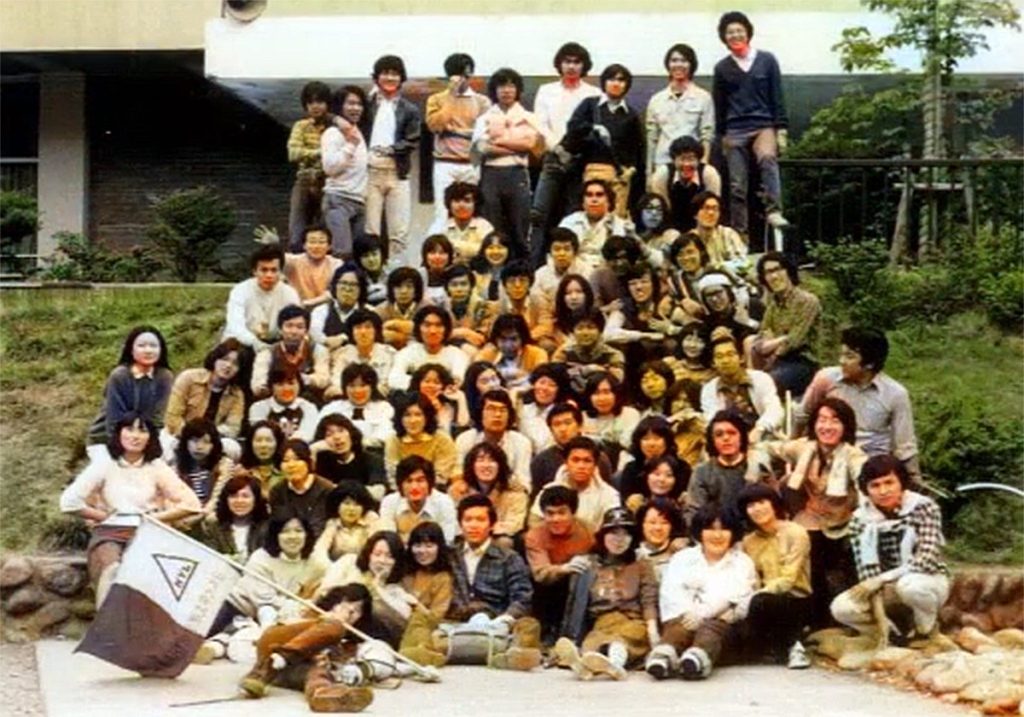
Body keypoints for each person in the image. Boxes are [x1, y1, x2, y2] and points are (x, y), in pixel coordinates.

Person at [751, 396, 867, 628]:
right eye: (822, 420)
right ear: (814, 424)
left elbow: (863, 480)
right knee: (803, 551)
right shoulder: (804, 448)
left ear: (846, 426)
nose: (827, 426)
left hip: (843, 522)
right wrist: (761, 471)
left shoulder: (854, 455)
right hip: (810, 518)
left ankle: (846, 618)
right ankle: (810, 620)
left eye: (835, 420)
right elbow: (767, 448)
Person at [61, 415, 200, 605]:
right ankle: (109, 619)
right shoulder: (105, 464)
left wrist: (155, 519)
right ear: (119, 434)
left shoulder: (157, 467)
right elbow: (69, 502)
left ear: (150, 437)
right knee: (111, 570)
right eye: (129, 429)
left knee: (150, 574)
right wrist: (103, 516)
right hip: (110, 532)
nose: (135, 436)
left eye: (142, 431)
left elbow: (192, 504)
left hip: (148, 532)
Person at [831, 455, 949, 646]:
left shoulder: (924, 507)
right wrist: (881, 618)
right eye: (875, 485)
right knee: (841, 607)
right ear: (866, 490)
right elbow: (868, 575)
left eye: (889, 482)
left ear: (901, 482)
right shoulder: (860, 520)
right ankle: (890, 634)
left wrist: (882, 579)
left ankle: (925, 630)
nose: (883, 491)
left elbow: (925, 559)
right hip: (885, 589)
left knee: (910, 586)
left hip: (926, 580)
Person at [646, 503, 756, 680]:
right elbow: (671, 593)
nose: (717, 535)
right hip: (684, 620)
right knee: (679, 627)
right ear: (700, 532)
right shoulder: (683, 559)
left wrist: (701, 615)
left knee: (712, 627)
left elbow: (733, 596)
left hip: (722, 627)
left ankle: (696, 660)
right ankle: (664, 656)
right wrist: (689, 614)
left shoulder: (742, 562)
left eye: (724, 529)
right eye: (710, 529)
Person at [798, 326, 921, 480]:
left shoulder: (895, 394)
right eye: (842, 355)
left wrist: (914, 479)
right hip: (827, 457)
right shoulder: (826, 379)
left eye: (849, 357)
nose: (842, 361)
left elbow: (904, 445)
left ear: (869, 364)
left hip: (870, 466)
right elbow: (803, 415)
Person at [556, 507, 659, 681]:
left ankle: (616, 664)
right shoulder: (589, 565)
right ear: (603, 536)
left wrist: (653, 629)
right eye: (613, 533)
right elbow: (575, 604)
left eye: (625, 534)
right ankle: (585, 665)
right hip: (602, 622)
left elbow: (649, 599)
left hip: (633, 620)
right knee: (593, 643)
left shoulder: (642, 565)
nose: (619, 540)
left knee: (625, 640)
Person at [238, 582, 375, 711]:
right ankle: (276, 661)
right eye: (345, 604)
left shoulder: (349, 643)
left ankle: (323, 695)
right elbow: (285, 622)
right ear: (334, 602)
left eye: (357, 610)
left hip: (286, 671)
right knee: (335, 626)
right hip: (274, 646)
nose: (350, 612)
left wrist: (328, 659)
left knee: (318, 671)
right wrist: (328, 620)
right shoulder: (311, 610)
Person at [712, 10, 790, 236]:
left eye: (739, 30)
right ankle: (740, 233)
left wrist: (781, 128)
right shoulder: (722, 68)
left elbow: (777, 95)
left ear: (748, 33)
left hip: (763, 125)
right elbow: (720, 103)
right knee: (737, 184)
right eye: (730, 32)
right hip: (735, 128)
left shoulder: (767, 60)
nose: (735, 35)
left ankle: (774, 211)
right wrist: (722, 135)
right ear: (724, 37)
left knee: (767, 158)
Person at [444, 494, 543, 670]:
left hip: (496, 626)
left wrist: (504, 620)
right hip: (457, 626)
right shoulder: (448, 556)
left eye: (480, 520)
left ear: (492, 524)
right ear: (460, 524)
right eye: (468, 520)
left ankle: (509, 654)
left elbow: (523, 598)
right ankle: (497, 655)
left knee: (528, 625)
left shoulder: (508, 558)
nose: (473, 525)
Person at [530, 41, 602, 266]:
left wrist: (573, 151)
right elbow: (540, 124)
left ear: (584, 65)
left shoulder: (593, 93)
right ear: (559, 64)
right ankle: (534, 266)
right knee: (539, 215)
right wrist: (559, 149)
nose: (571, 66)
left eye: (576, 62)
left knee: (574, 215)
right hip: (553, 159)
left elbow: (593, 129)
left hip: (580, 161)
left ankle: (573, 267)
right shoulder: (546, 91)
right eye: (567, 61)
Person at [206, 512, 327, 638]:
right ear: (275, 535)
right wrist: (300, 606)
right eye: (285, 531)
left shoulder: (316, 563)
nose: (293, 536)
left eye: (299, 531)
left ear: (307, 535)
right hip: (238, 609)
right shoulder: (260, 558)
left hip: (281, 615)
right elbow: (265, 600)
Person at [736, 483, 813, 669]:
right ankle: (776, 647)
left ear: (773, 504)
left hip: (795, 598)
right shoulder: (748, 541)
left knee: (764, 601)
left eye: (762, 502)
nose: (757, 509)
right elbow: (751, 577)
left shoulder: (796, 532)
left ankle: (795, 648)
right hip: (761, 603)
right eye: (751, 505)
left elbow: (789, 578)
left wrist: (758, 595)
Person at [471, 68, 542, 259]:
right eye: (502, 86)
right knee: (492, 227)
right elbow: (483, 148)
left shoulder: (529, 117)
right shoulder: (484, 118)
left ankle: (522, 269)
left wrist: (498, 141)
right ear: (494, 90)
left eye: (511, 86)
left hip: (517, 174)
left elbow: (530, 145)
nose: (506, 90)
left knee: (520, 227)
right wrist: (516, 147)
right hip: (491, 174)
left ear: (518, 90)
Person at [562, 64, 645, 219]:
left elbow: (638, 150)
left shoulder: (631, 115)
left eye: (621, 80)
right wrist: (593, 128)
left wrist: (631, 170)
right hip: (586, 173)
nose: (616, 83)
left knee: (615, 220)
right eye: (611, 79)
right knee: (584, 218)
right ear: (604, 82)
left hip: (618, 177)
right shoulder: (590, 105)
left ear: (627, 85)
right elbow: (572, 130)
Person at [364, 55, 421, 265]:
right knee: (371, 231)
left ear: (401, 78)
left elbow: (413, 138)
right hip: (370, 173)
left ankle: (397, 271)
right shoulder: (366, 105)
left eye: (395, 74)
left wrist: (391, 150)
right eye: (385, 73)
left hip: (398, 174)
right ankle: (372, 273)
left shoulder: (410, 109)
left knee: (399, 231)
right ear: (376, 77)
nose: (390, 78)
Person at [86, 326, 174, 460]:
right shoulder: (119, 376)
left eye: (153, 346)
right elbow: (113, 420)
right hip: (107, 438)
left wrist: (149, 447)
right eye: (141, 346)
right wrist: (126, 453)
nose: (148, 350)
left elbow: (157, 418)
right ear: (131, 350)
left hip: (144, 437)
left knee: (168, 457)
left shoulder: (165, 377)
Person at [425, 54, 491, 225]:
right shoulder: (436, 99)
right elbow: (436, 126)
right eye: (457, 75)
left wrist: (454, 131)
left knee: (471, 212)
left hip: (471, 164)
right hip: (445, 163)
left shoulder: (482, 101)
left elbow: (484, 134)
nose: (462, 80)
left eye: (466, 75)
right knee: (442, 213)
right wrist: (451, 95)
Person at [524, 485, 595, 644]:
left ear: (572, 513)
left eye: (562, 513)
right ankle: (545, 633)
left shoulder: (588, 531)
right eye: (550, 513)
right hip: (547, 588)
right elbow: (540, 573)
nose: (556, 519)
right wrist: (564, 568)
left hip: (579, 585)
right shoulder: (535, 535)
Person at [162, 338, 245, 458]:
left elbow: (233, 428)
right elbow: (172, 417)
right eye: (224, 359)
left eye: (235, 363)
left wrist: (208, 436)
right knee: (166, 447)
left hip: (212, 440)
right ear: (215, 359)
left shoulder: (237, 394)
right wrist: (191, 436)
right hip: (180, 434)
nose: (228, 365)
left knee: (233, 448)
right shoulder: (189, 378)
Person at [752, 252, 820, 396]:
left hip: (803, 363)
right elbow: (759, 342)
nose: (773, 276)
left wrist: (773, 345)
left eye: (777, 269)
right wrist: (781, 339)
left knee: (766, 384)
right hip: (776, 362)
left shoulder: (807, 301)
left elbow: (794, 341)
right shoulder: (773, 306)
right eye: (767, 273)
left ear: (788, 271)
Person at [645, 43, 714, 182]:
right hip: (662, 163)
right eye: (674, 60)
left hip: (691, 165)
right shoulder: (656, 100)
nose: (678, 65)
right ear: (668, 64)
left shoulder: (704, 98)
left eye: (684, 60)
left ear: (691, 65)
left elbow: (707, 135)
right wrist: (649, 171)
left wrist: (703, 166)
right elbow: (652, 138)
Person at [700, 331, 783, 442]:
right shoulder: (709, 389)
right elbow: (712, 419)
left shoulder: (761, 378)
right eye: (719, 357)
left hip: (763, 437)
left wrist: (759, 429)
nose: (725, 361)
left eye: (730, 354)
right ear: (713, 363)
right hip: (728, 441)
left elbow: (774, 409)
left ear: (741, 358)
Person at [530, 436, 621, 534]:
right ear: (565, 462)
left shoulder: (609, 496)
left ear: (595, 465)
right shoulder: (548, 491)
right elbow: (534, 523)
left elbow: (614, 531)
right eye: (575, 460)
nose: (581, 466)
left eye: (587, 461)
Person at [449, 441, 529, 548]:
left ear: (500, 465)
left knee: (504, 542)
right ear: (471, 465)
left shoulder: (515, 491)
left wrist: (486, 529)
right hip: (467, 535)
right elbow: (453, 522)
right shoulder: (458, 490)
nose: (486, 465)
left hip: (497, 536)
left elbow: (515, 523)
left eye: (492, 460)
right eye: (480, 460)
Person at [529, 402, 614, 500]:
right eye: (557, 424)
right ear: (550, 429)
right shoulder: (541, 461)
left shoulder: (599, 458)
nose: (563, 429)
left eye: (568, 423)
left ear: (580, 425)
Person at [321, 85, 369, 259]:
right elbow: (329, 167)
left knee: (358, 256)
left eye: (359, 104)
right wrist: (350, 145)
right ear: (340, 106)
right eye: (350, 103)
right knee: (342, 253)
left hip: (359, 201)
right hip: (338, 199)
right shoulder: (333, 133)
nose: (356, 108)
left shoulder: (357, 131)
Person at [224, 244, 302, 350]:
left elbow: (295, 325)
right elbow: (236, 326)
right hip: (243, 342)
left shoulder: (290, 293)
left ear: (280, 272)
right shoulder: (240, 291)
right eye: (264, 270)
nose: (269, 275)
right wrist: (255, 343)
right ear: (254, 271)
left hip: (277, 344)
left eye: (274, 270)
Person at [454, 389, 533, 487]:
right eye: (491, 409)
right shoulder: (465, 439)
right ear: (480, 413)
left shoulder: (521, 442)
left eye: (503, 410)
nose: (497, 415)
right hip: (471, 490)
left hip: (508, 490)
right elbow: (458, 473)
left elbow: (523, 480)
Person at [287, 81, 332, 251]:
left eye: (319, 101)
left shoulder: (334, 127)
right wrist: (320, 153)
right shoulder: (301, 126)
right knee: (296, 231)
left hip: (328, 183)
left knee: (326, 231)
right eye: (310, 102)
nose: (315, 106)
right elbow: (293, 153)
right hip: (305, 180)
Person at [252, 305, 330, 400]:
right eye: (289, 326)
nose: (294, 332)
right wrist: (270, 385)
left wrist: (297, 379)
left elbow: (323, 379)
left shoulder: (317, 350)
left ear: (306, 330)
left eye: (300, 327)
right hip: (275, 397)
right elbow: (258, 382)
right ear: (280, 329)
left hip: (307, 397)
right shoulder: (267, 352)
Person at [686, 410, 754, 520]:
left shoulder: (755, 466)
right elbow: (694, 511)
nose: (726, 438)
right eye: (719, 435)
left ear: (741, 437)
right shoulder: (702, 472)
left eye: (732, 433)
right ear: (712, 440)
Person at [383, 395, 458, 492]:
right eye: (407, 415)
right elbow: (393, 476)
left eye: (418, 414)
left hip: (434, 491)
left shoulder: (442, 440)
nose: (412, 421)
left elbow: (441, 476)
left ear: (427, 417)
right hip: (402, 492)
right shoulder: (393, 440)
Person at [558, 179, 634, 275]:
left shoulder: (620, 225)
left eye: (599, 195)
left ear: (608, 201)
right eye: (589, 195)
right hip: (572, 275)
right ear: (582, 202)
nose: (594, 200)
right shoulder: (569, 222)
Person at [191, 474, 270, 565]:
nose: (239, 501)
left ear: (256, 500)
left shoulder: (268, 526)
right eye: (233, 496)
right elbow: (209, 558)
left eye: (245, 496)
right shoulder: (212, 525)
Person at [377, 455, 458, 543]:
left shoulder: (444, 502)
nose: (414, 487)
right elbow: (389, 542)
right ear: (400, 485)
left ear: (430, 483)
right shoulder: (389, 502)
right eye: (409, 481)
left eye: (420, 480)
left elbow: (447, 541)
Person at [388, 305, 469, 391]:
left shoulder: (457, 355)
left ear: (446, 329)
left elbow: (457, 381)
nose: (432, 331)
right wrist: (425, 386)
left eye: (438, 325)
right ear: (418, 328)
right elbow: (394, 379)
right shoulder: (407, 353)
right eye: (427, 325)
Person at [652, 136, 722, 233]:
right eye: (682, 159)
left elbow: (713, 209)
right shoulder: (662, 175)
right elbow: (662, 211)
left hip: (701, 229)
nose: (686, 164)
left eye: (691, 159)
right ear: (674, 160)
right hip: (671, 230)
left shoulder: (709, 174)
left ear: (698, 160)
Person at [309, 413, 388, 498]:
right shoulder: (322, 462)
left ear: (351, 433)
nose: (337, 437)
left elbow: (378, 493)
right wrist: (313, 449)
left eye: (341, 431)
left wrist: (339, 489)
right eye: (329, 434)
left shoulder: (371, 459)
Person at [551, 308, 626, 395]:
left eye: (591, 327)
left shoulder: (613, 354)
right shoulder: (564, 352)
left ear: (600, 331)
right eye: (580, 328)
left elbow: (617, 380)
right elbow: (555, 377)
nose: (585, 333)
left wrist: (574, 371)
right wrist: (588, 369)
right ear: (573, 332)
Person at [269, 439, 335, 538]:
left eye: (297, 459)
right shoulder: (277, 491)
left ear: (308, 461)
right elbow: (279, 525)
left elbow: (324, 526)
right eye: (285, 460)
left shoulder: (326, 489)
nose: (291, 465)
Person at [326, 309, 395, 398]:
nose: (363, 332)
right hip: (347, 398)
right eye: (358, 327)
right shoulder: (342, 354)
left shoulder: (388, 354)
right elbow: (337, 382)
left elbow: (386, 385)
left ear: (376, 331)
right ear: (351, 332)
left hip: (378, 399)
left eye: (368, 327)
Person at [172, 418, 233, 518]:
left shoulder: (224, 464)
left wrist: (198, 516)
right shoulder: (177, 467)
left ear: (214, 445)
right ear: (185, 442)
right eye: (194, 441)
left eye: (206, 442)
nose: (199, 447)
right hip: (185, 513)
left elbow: (217, 499)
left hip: (211, 514)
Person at [581, 371, 641, 471]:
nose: (602, 398)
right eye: (596, 393)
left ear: (617, 393)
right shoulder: (582, 418)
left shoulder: (630, 414)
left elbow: (628, 444)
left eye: (607, 392)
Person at [490, 260, 555, 352]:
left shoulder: (540, 302)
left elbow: (546, 327)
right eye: (512, 281)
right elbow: (492, 331)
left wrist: (522, 339)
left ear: (530, 284)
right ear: (505, 286)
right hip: (506, 342)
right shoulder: (498, 306)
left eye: (522, 280)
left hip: (533, 341)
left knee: (547, 345)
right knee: (489, 348)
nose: (517, 285)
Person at [311, 480, 379, 563]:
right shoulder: (333, 523)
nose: (351, 509)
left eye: (357, 504)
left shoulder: (371, 518)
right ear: (337, 505)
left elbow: (377, 548)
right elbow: (319, 550)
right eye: (347, 503)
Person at [475, 313, 550, 389]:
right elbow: (475, 377)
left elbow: (541, 382)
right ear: (495, 339)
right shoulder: (486, 355)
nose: (508, 345)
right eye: (503, 339)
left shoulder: (537, 354)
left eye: (513, 339)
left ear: (522, 339)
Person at [429, 182, 495, 265]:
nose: (461, 205)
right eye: (456, 201)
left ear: (475, 204)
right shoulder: (439, 226)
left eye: (467, 201)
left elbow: (488, 253)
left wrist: (454, 246)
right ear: (449, 204)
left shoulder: (485, 226)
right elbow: (432, 252)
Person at [310, 263, 370, 355]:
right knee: (320, 348)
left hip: (358, 358)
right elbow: (314, 333)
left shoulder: (369, 312)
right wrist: (326, 341)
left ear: (361, 289)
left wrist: (343, 338)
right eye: (344, 283)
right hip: (327, 356)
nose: (347, 289)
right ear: (335, 285)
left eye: (353, 285)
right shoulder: (322, 310)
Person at [248, 368, 319, 443]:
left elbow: (307, 435)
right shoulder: (258, 408)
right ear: (271, 387)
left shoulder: (309, 407)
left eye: (291, 383)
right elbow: (261, 434)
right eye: (280, 384)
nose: (286, 389)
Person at [617, 416, 679, 500]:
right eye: (645, 439)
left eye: (657, 438)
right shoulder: (631, 469)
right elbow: (625, 499)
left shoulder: (681, 468)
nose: (651, 444)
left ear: (667, 441)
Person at [516, 363, 572, 453]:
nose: (545, 388)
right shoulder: (524, 410)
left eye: (552, 385)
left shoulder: (563, 413)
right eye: (542, 382)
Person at [283, 225, 342, 309]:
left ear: (329, 246)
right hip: (295, 310)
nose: (316, 246)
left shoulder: (336, 264)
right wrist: (272, 245)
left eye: (321, 242)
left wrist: (306, 303)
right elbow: (276, 258)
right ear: (304, 245)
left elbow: (333, 292)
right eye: (312, 242)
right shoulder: (293, 261)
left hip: (326, 310)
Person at [442, 264, 494, 358]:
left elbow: (480, 339)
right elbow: (436, 335)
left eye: (464, 284)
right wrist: (464, 332)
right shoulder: (440, 307)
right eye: (454, 285)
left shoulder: (483, 306)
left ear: (471, 287)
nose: (459, 289)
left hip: (475, 352)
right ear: (447, 289)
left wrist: (451, 334)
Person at [691, 191, 748, 272]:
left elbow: (742, 263)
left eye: (715, 209)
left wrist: (718, 266)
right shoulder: (690, 240)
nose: (711, 213)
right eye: (706, 208)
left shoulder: (728, 234)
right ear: (695, 214)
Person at [531, 227, 590, 302]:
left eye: (567, 249)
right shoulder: (540, 275)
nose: (562, 254)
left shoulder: (587, 272)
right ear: (550, 252)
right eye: (557, 249)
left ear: (575, 252)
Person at [409, 363, 470, 435]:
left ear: (444, 386)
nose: (431, 385)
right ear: (418, 383)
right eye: (427, 381)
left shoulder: (448, 407)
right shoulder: (410, 405)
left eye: (436, 382)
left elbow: (463, 424)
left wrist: (461, 398)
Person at [635, 497, 687, 580]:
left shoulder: (683, 555)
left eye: (664, 523)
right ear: (642, 525)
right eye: (652, 522)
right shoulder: (633, 556)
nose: (658, 528)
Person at [624, 455, 690, 516]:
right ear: (646, 477)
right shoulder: (636, 504)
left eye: (669, 475)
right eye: (656, 474)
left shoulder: (684, 507)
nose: (662, 479)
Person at [235, 420, 285, 498]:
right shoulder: (241, 471)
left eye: (269, 440)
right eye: (258, 440)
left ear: (278, 443)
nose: (263, 445)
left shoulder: (286, 470)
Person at [551, 272, 596, 349]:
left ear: (587, 294)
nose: (574, 297)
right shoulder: (555, 326)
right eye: (568, 293)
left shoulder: (598, 319)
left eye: (579, 292)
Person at [470, 231, 514, 303]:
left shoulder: (515, 274)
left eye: (500, 247)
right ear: (483, 251)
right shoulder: (475, 274)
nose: (495, 252)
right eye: (491, 248)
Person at [419, 234, 456, 307]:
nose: (437, 257)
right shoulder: (418, 276)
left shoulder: (456, 275)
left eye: (442, 253)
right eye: (432, 252)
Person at [354, 234, 388, 305]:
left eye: (374, 254)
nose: (371, 260)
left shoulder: (393, 272)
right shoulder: (354, 277)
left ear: (382, 254)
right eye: (365, 256)